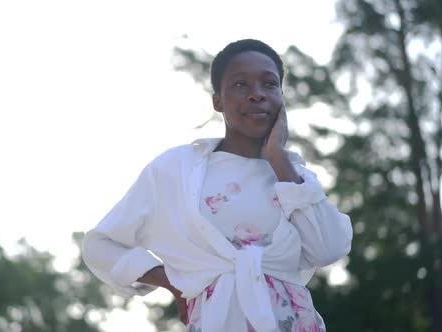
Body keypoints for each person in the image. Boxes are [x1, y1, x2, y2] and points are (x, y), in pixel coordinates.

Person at [82, 39, 353, 332]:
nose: (257, 95)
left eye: (269, 84)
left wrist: (277, 157)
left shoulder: (295, 176)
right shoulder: (177, 169)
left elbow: (329, 249)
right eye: (241, 85)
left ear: (282, 97)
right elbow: (100, 246)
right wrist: (173, 281)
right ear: (218, 101)